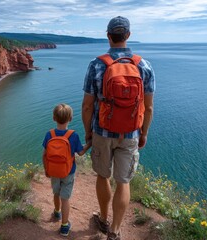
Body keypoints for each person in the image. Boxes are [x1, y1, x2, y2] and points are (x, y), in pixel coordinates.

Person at [82, 16, 155, 240]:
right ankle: (114, 230)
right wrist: (144, 133)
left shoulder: (96, 64)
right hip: (131, 133)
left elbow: (87, 106)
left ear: (108, 36)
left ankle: (103, 219)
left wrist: (88, 133)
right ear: (128, 36)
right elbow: (149, 107)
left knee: (103, 176)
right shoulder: (143, 65)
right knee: (123, 182)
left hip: (102, 132)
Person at [42, 103, 91, 237]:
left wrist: (46, 169)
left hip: (53, 171)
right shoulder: (73, 136)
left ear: (54, 118)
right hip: (68, 172)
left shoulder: (49, 134)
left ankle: (57, 212)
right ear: (70, 119)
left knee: (56, 193)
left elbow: (44, 154)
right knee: (65, 198)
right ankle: (64, 226)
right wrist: (89, 144)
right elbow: (80, 153)